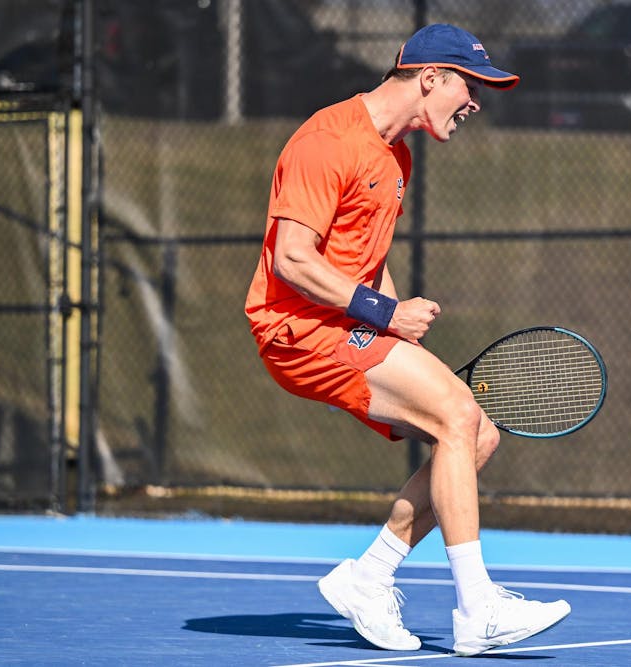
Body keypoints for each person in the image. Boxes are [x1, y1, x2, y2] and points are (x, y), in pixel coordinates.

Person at [244, 23, 570, 657]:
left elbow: (367, 259)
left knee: (476, 434)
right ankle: (478, 609)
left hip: (344, 325)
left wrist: (391, 325)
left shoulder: (396, 156)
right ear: (431, 78)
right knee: (457, 415)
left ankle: (368, 577)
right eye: (470, 87)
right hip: (296, 330)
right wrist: (386, 316)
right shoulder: (327, 140)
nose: (476, 103)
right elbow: (292, 259)